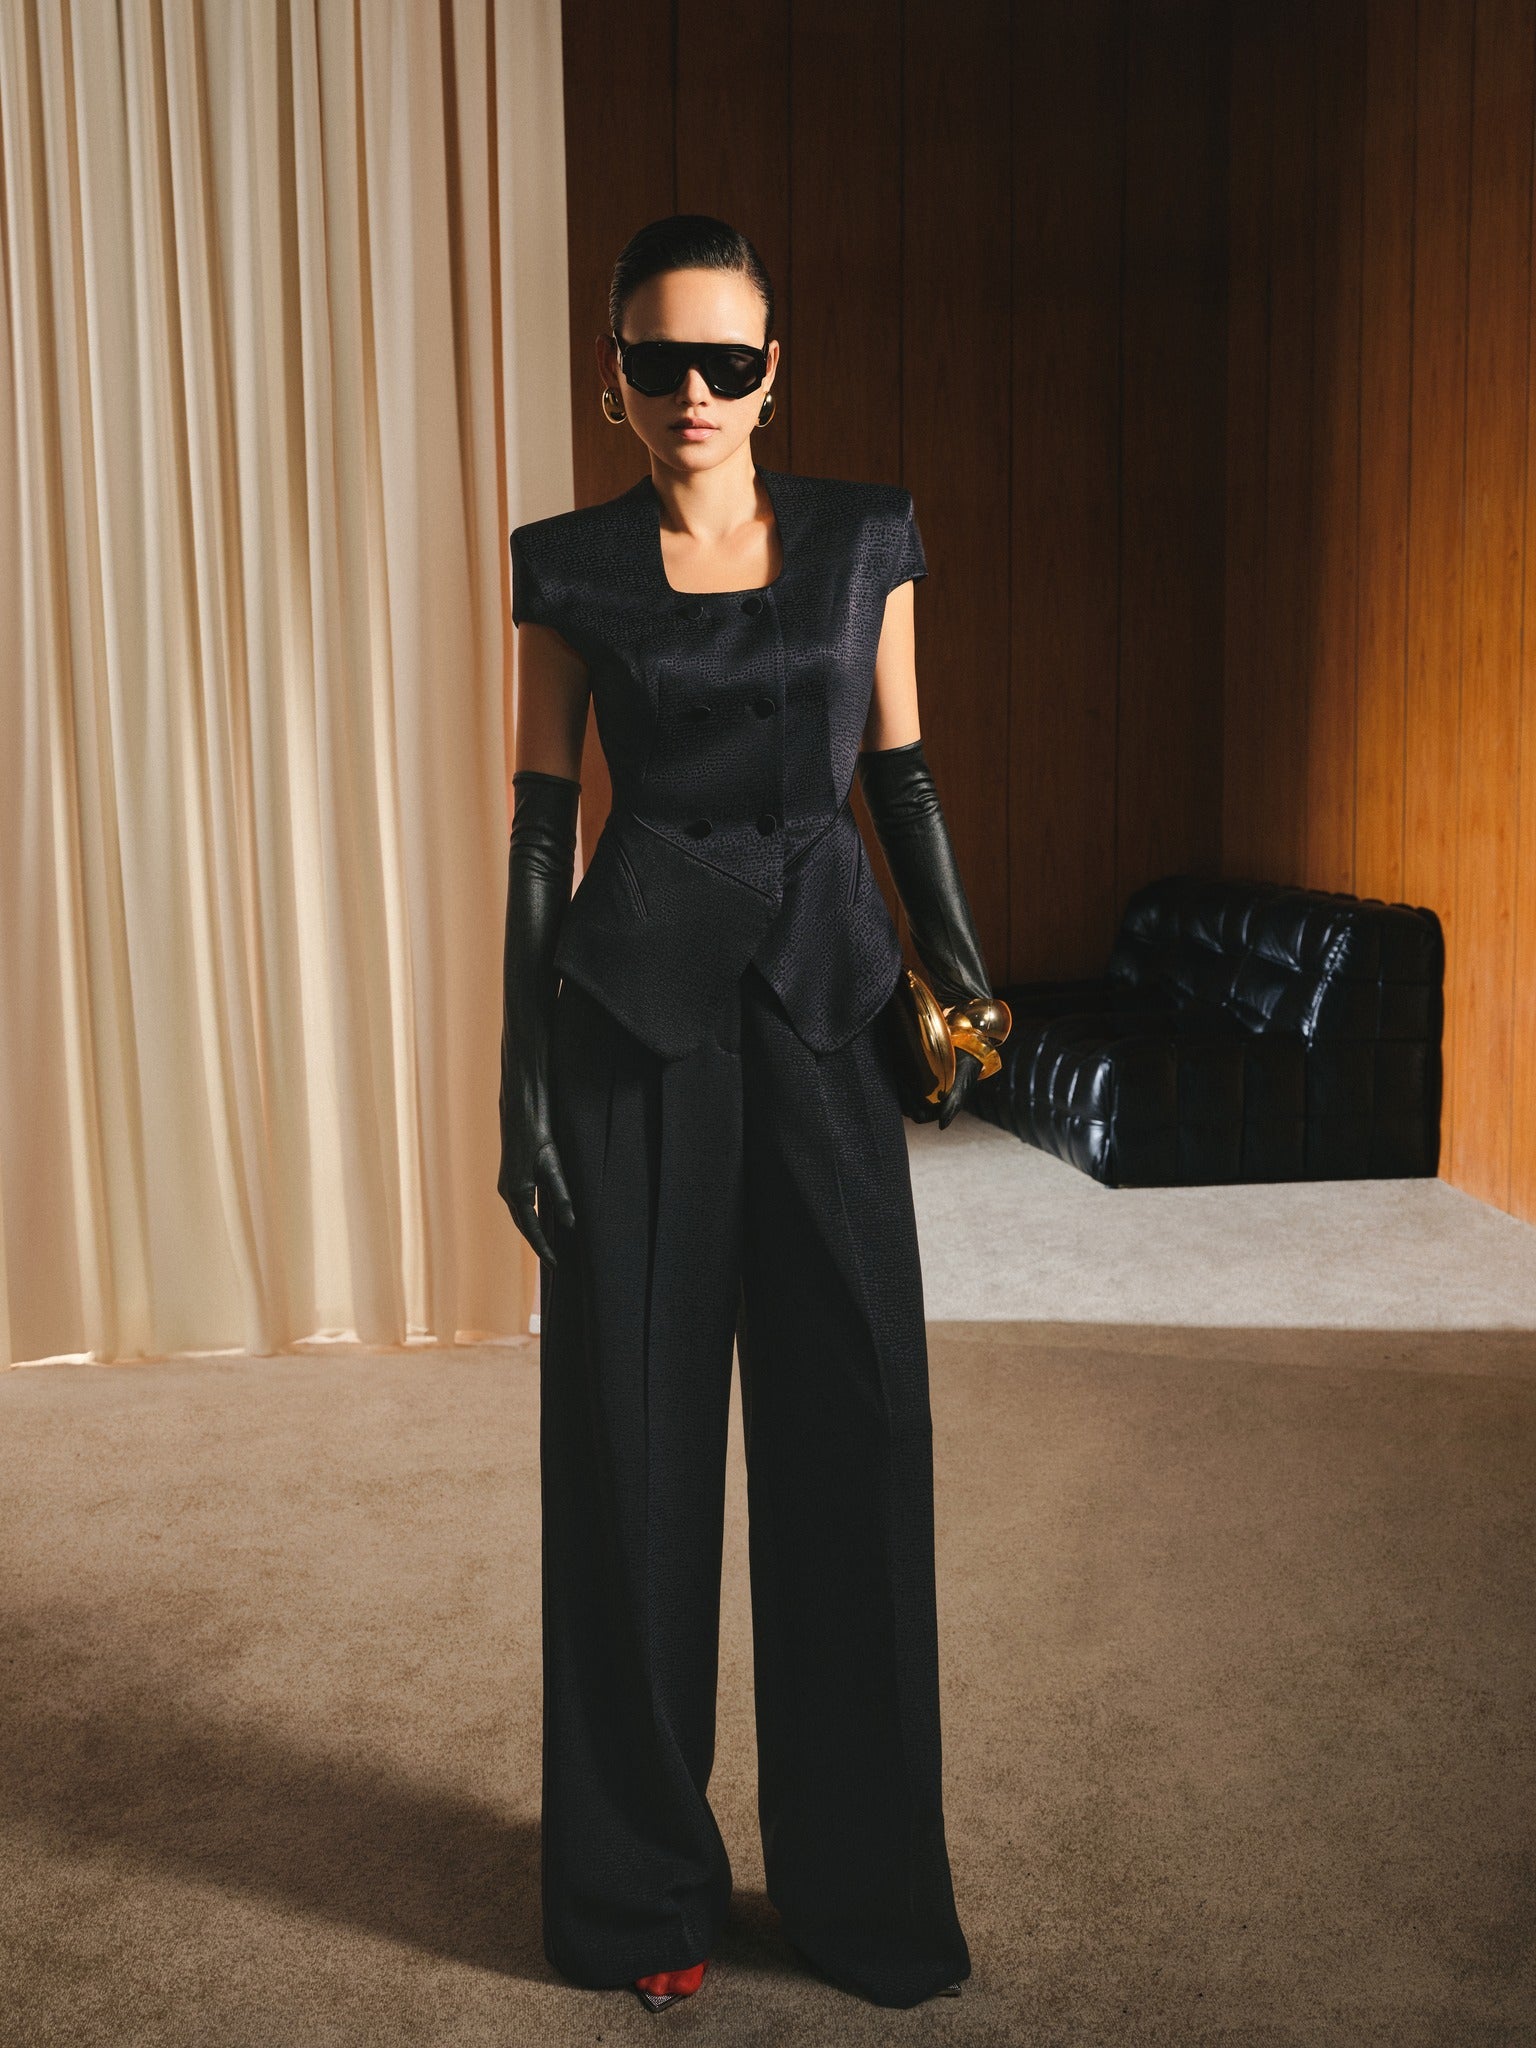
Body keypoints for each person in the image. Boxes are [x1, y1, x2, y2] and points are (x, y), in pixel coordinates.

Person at [499, 214, 1006, 2015]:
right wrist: (518, 1092)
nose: (691, 393)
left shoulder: (869, 538)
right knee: (629, 1463)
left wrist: (960, 970)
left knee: (855, 1443)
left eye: (726, 361)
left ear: (775, 371)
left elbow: (906, 771)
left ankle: (865, 1893)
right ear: (614, 373)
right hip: (631, 1025)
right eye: (657, 361)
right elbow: (540, 832)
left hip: (827, 1009)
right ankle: (643, 1897)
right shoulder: (563, 564)